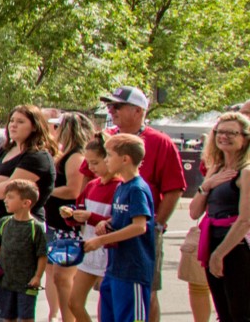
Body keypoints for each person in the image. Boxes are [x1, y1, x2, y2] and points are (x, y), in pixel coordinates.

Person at [98, 86, 186, 322]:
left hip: (140, 230)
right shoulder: (106, 137)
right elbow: (90, 174)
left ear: (138, 111)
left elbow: (174, 188)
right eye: (109, 106)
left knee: (145, 295)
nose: (111, 110)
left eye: (117, 106)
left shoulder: (161, 142)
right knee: (112, 295)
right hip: (112, 228)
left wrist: (156, 224)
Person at [84, 133, 157, 322]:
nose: (106, 160)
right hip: (115, 267)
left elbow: (139, 227)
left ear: (125, 159)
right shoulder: (122, 187)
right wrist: (107, 222)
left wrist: (100, 240)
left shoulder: (137, 188)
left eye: (109, 155)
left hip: (133, 270)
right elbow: (121, 218)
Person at [190, 112, 248, 322]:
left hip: (237, 248)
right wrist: (206, 186)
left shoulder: (246, 172)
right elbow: (194, 212)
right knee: (224, 312)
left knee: (240, 313)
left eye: (231, 133)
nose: (224, 136)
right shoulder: (215, 168)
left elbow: (245, 220)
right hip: (211, 241)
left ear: (245, 138)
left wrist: (219, 255)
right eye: (219, 132)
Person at [0, 104, 56, 260]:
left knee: (13, 277)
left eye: (21, 121)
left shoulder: (38, 156)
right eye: (12, 120)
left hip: (22, 226)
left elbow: (10, 192)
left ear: (35, 126)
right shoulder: (5, 149)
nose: (13, 125)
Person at [47, 112, 95, 322]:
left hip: (69, 225)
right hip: (57, 223)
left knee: (63, 276)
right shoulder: (65, 154)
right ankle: (59, 315)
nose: (54, 132)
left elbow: (73, 191)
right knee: (56, 275)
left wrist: (46, 191)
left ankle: (69, 318)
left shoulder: (76, 156)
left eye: (58, 128)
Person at [63, 135, 115, 322]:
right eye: (88, 162)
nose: (91, 168)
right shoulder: (92, 185)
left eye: (95, 162)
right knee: (74, 302)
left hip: (109, 253)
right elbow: (81, 211)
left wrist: (90, 217)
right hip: (88, 250)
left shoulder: (120, 187)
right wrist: (71, 216)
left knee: (107, 306)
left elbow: (117, 222)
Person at [0, 179, 49, 322]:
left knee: (26, 317)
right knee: (8, 316)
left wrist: (37, 277)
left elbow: (42, 255)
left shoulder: (36, 227)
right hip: (6, 281)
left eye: (10, 197)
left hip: (27, 284)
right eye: (6, 197)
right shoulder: (4, 222)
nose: (5, 201)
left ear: (26, 203)